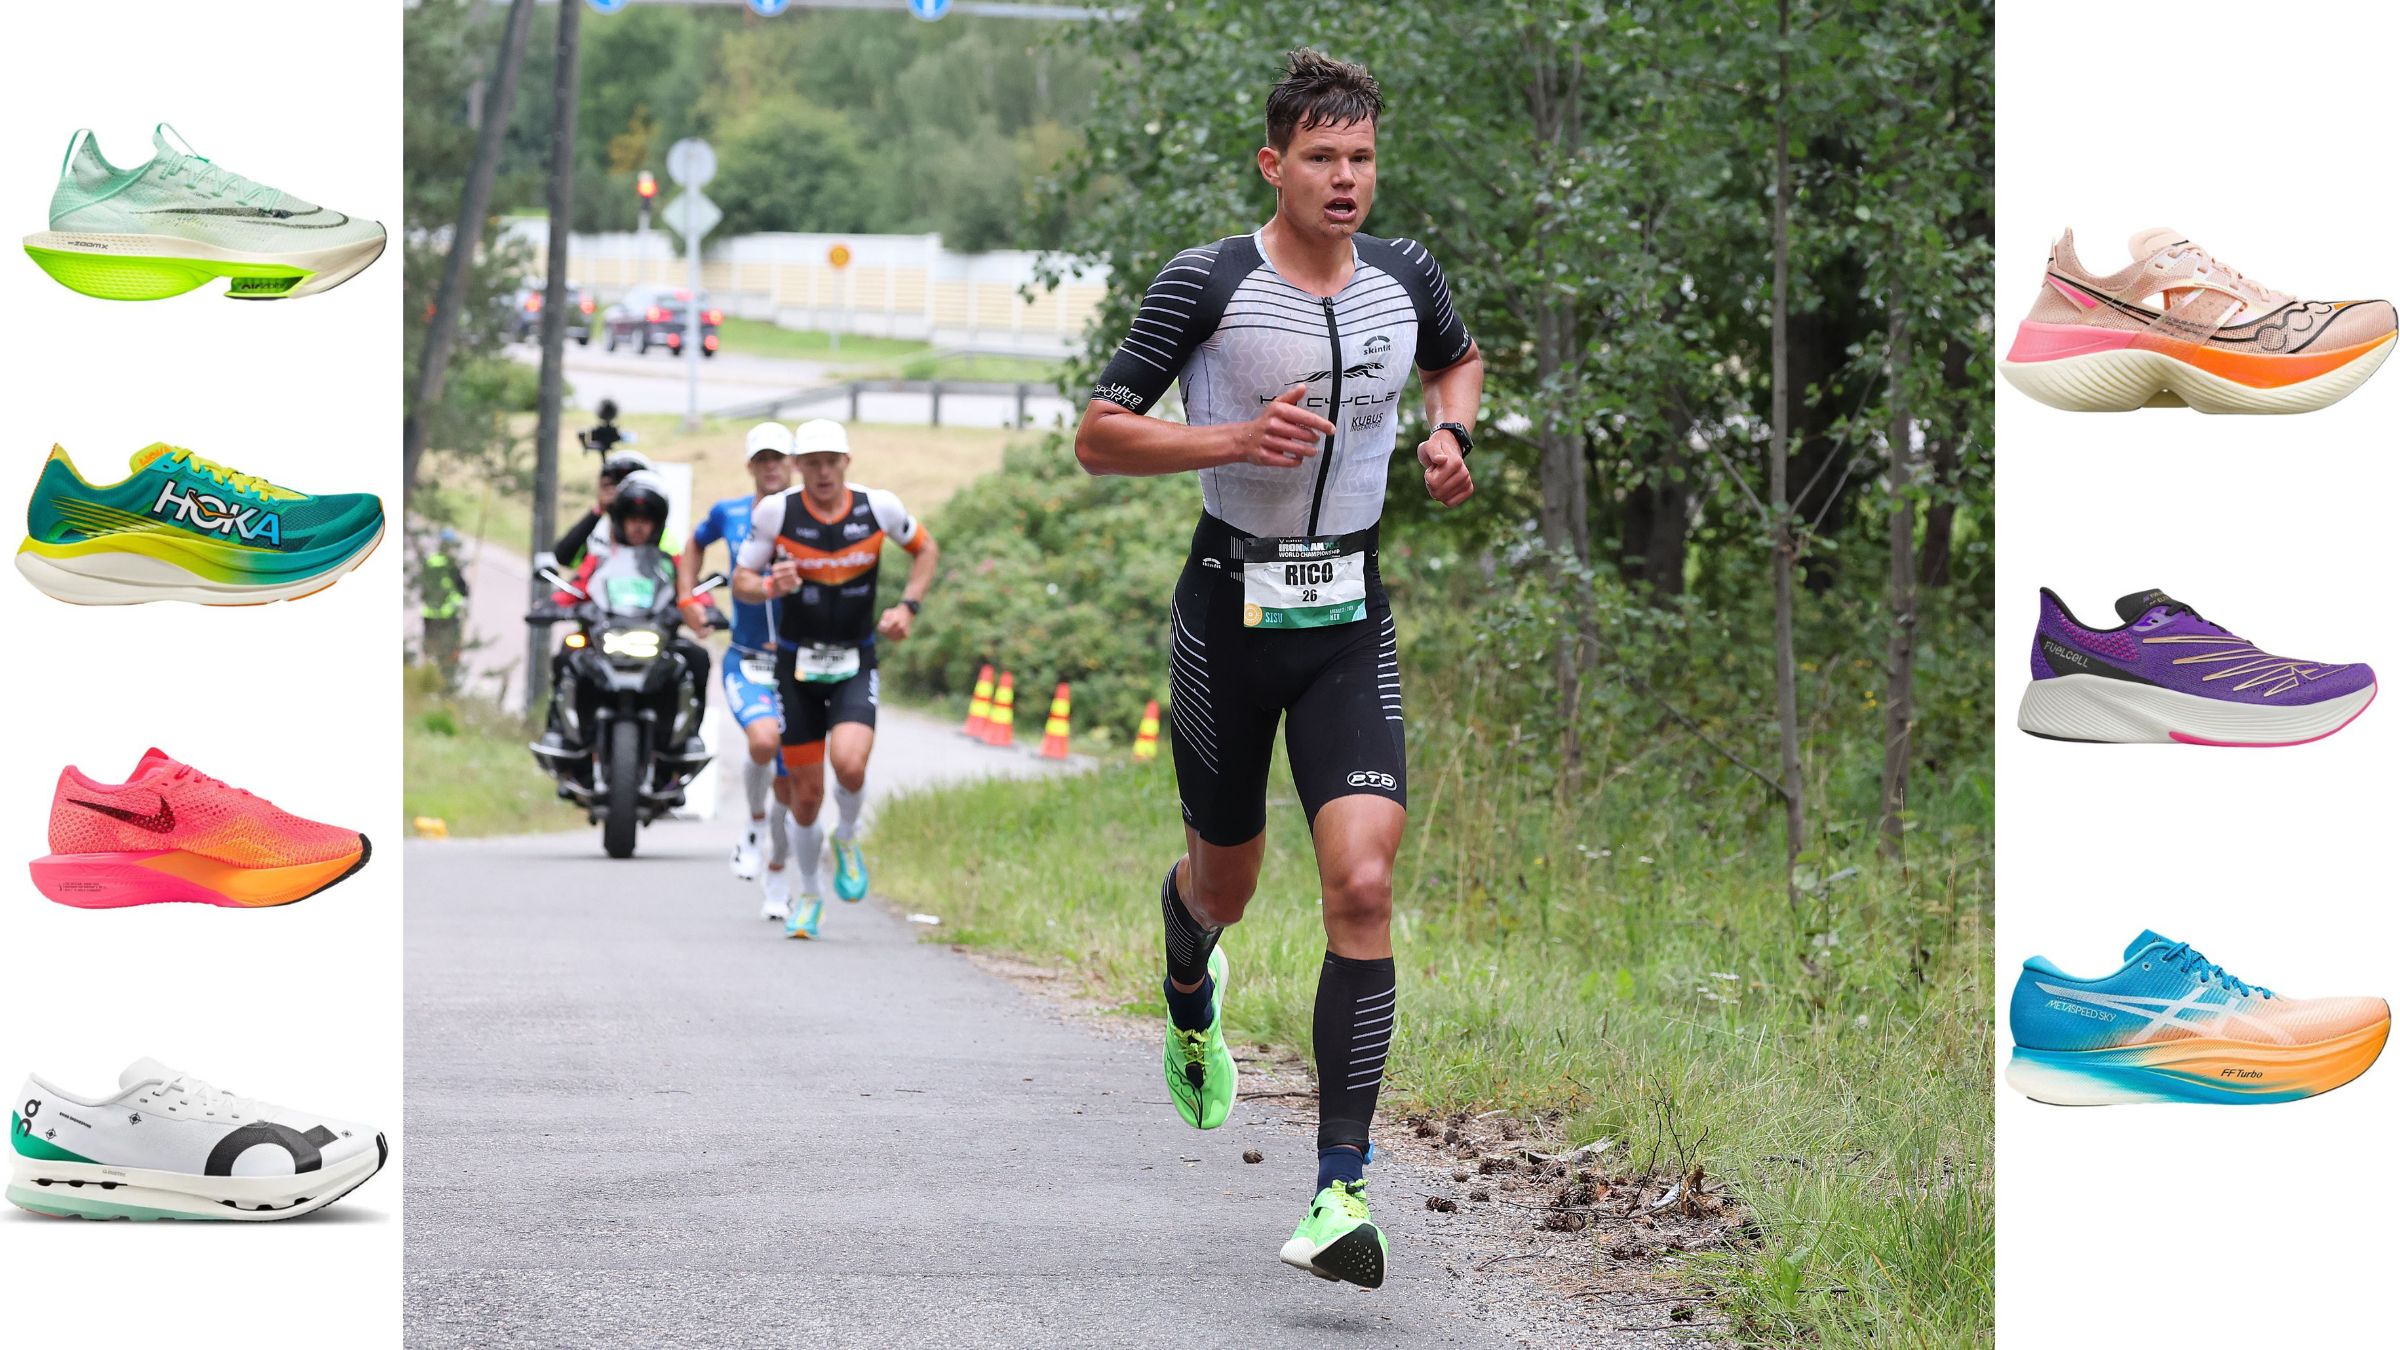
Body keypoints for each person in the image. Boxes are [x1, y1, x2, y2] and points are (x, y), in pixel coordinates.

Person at [1070, 49, 1482, 1290]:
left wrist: (1449, 431)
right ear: (1274, 164)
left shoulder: (1407, 277)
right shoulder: (1207, 282)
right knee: (1229, 886)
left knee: (1362, 881)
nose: (1345, 178)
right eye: (1321, 157)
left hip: (1350, 616)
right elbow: (1098, 436)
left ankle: (1339, 1191)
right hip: (1229, 614)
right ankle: (1186, 958)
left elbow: (1457, 357)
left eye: (1362, 157)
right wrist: (1233, 438)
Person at [732, 420, 939, 941]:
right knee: (806, 797)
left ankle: (846, 835)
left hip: (854, 660)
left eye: (831, 462)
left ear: (847, 462)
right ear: (798, 467)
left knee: (850, 765)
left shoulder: (879, 507)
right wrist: (768, 584)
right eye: (812, 464)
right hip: (795, 668)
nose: (823, 473)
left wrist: (907, 608)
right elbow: (740, 581)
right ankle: (808, 895)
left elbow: (926, 550)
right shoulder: (776, 512)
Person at [680, 423, 800, 920]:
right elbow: (692, 544)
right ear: (751, 466)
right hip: (746, 656)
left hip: (799, 663)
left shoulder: (810, 517)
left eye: (779, 459)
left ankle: (777, 874)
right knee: (763, 741)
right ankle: (752, 824)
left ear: (792, 464)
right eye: (762, 459)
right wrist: (689, 599)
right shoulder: (728, 512)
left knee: (792, 780)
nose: (771, 467)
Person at [541, 470, 711, 769]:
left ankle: (688, 736)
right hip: (603, 641)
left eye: (645, 520)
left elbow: (696, 594)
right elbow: (574, 588)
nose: (638, 526)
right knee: (567, 653)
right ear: (620, 521)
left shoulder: (671, 563)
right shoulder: (599, 559)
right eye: (632, 519)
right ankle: (560, 732)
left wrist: (707, 611)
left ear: (657, 523)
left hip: (658, 642)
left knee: (696, 657)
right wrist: (549, 606)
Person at [553, 449, 654, 567]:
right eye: (610, 486)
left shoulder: (657, 531)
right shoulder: (597, 532)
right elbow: (563, 557)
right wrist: (599, 509)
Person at [418, 526, 469, 692]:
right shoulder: (450, 565)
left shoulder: (430, 561)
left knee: (429, 651)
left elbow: (423, 588)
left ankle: (425, 683)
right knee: (449, 654)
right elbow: (463, 589)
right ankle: (444, 686)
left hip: (429, 615)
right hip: (448, 618)